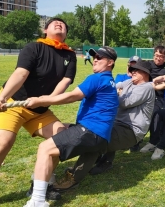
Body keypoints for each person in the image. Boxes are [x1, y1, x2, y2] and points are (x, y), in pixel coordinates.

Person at [0, 18, 77, 207]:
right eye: (55, 23)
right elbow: (21, 73)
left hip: (40, 110)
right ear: (45, 29)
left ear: (66, 33)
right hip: (13, 103)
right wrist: (4, 97)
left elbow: (64, 82)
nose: (59, 24)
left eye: (63, 25)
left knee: (62, 139)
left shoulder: (70, 55)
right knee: (2, 145)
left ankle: (40, 183)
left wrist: (45, 101)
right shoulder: (34, 47)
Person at [23, 46, 119, 207]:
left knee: (45, 149)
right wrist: (74, 126)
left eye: (100, 57)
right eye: (94, 56)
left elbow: (72, 96)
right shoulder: (110, 81)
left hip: (91, 132)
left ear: (110, 62)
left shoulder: (97, 78)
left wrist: (41, 100)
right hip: (98, 135)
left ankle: (38, 200)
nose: (95, 59)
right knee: (53, 149)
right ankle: (47, 186)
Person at [52, 60, 155, 191]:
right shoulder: (129, 82)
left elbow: (123, 102)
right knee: (100, 133)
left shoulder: (146, 87)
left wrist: (108, 93)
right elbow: (111, 87)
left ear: (145, 73)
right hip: (118, 125)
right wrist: (109, 89)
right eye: (132, 69)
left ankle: (74, 178)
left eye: (137, 70)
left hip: (131, 130)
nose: (132, 71)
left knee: (95, 140)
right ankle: (105, 162)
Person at [129, 46, 165, 152]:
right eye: (157, 55)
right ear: (153, 55)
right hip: (143, 94)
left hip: (157, 97)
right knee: (136, 116)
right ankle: (135, 139)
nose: (158, 58)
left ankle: (149, 140)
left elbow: (161, 76)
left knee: (152, 115)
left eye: (161, 56)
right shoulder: (147, 64)